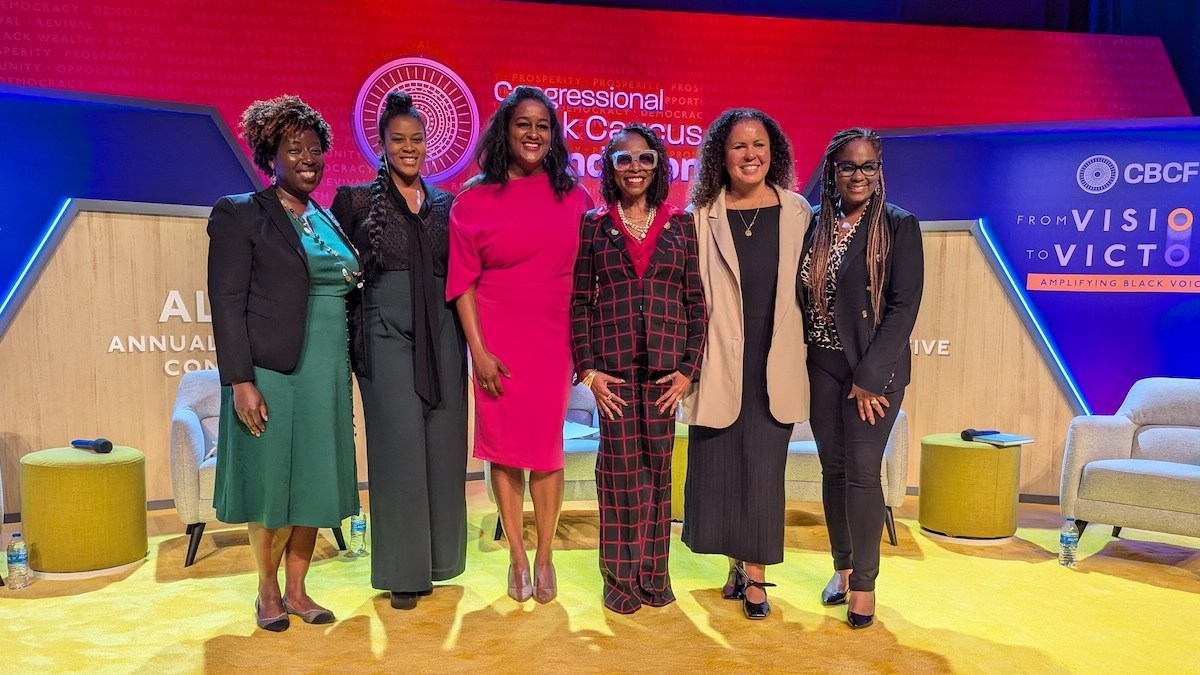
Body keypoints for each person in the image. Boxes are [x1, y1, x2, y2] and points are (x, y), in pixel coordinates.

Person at [208, 95, 361, 632]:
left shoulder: (325, 217)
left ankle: (299, 590)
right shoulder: (241, 212)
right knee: (272, 483)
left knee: (315, 482)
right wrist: (241, 381)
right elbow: (226, 302)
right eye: (294, 148)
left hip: (326, 369)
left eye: (315, 149)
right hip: (271, 370)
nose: (307, 159)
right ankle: (267, 590)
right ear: (269, 155)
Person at [446, 86, 592, 603]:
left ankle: (547, 554)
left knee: (547, 451)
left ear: (553, 137)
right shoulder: (472, 199)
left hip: (554, 339)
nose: (533, 134)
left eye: (543, 126)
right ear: (504, 132)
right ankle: (516, 557)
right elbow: (462, 280)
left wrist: (584, 346)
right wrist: (478, 351)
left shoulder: (576, 197)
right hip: (497, 340)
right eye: (522, 124)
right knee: (505, 452)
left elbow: (589, 277)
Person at [330, 91, 467, 611]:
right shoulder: (355, 202)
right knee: (398, 449)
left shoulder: (447, 205)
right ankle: (402, 573)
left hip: (443, 331)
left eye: (416, 140)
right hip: (382, 328)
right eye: (397, 140)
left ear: (427, 145)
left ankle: (438, 561)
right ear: (381, 145)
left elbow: (464, 274)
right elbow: (339, 276)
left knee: (442, 443)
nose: (408, 148)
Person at [680, 108, 812, 620]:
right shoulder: (699, 215)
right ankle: (736, 564)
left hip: (774, 364)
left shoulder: (797, 210)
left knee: (762, 475)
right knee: (721, 474)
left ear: (772, 151)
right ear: (721, 154)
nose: (750, 154)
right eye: (739, 146)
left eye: (759, 145)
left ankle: (756, 578)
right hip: (718, 363)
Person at [570, 124, 707, 614]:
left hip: (666, 375)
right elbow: (580, 303)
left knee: (657, 476)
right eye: (623, 159)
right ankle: (619, 579)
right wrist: (587, 371)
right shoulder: (593, 225)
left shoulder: (681, 225)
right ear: (609, 165)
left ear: (659, 165)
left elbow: (696, 303)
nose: (634, 168)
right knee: (619, 477)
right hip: (614, 376)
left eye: (645, 158)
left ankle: (654, 577)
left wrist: (689, 371)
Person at [799, 127, 923, 630]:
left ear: (879, 172)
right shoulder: (815, 224)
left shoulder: (898, 225)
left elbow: (903, 306)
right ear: (832, 171)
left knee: (863, 470)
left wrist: (871, 376)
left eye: (868, 165)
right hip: (823, 366)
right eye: (848, 166)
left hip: (873, 372)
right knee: (832, 468)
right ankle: (843, 568)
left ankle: (866, 587)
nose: (858, 174)